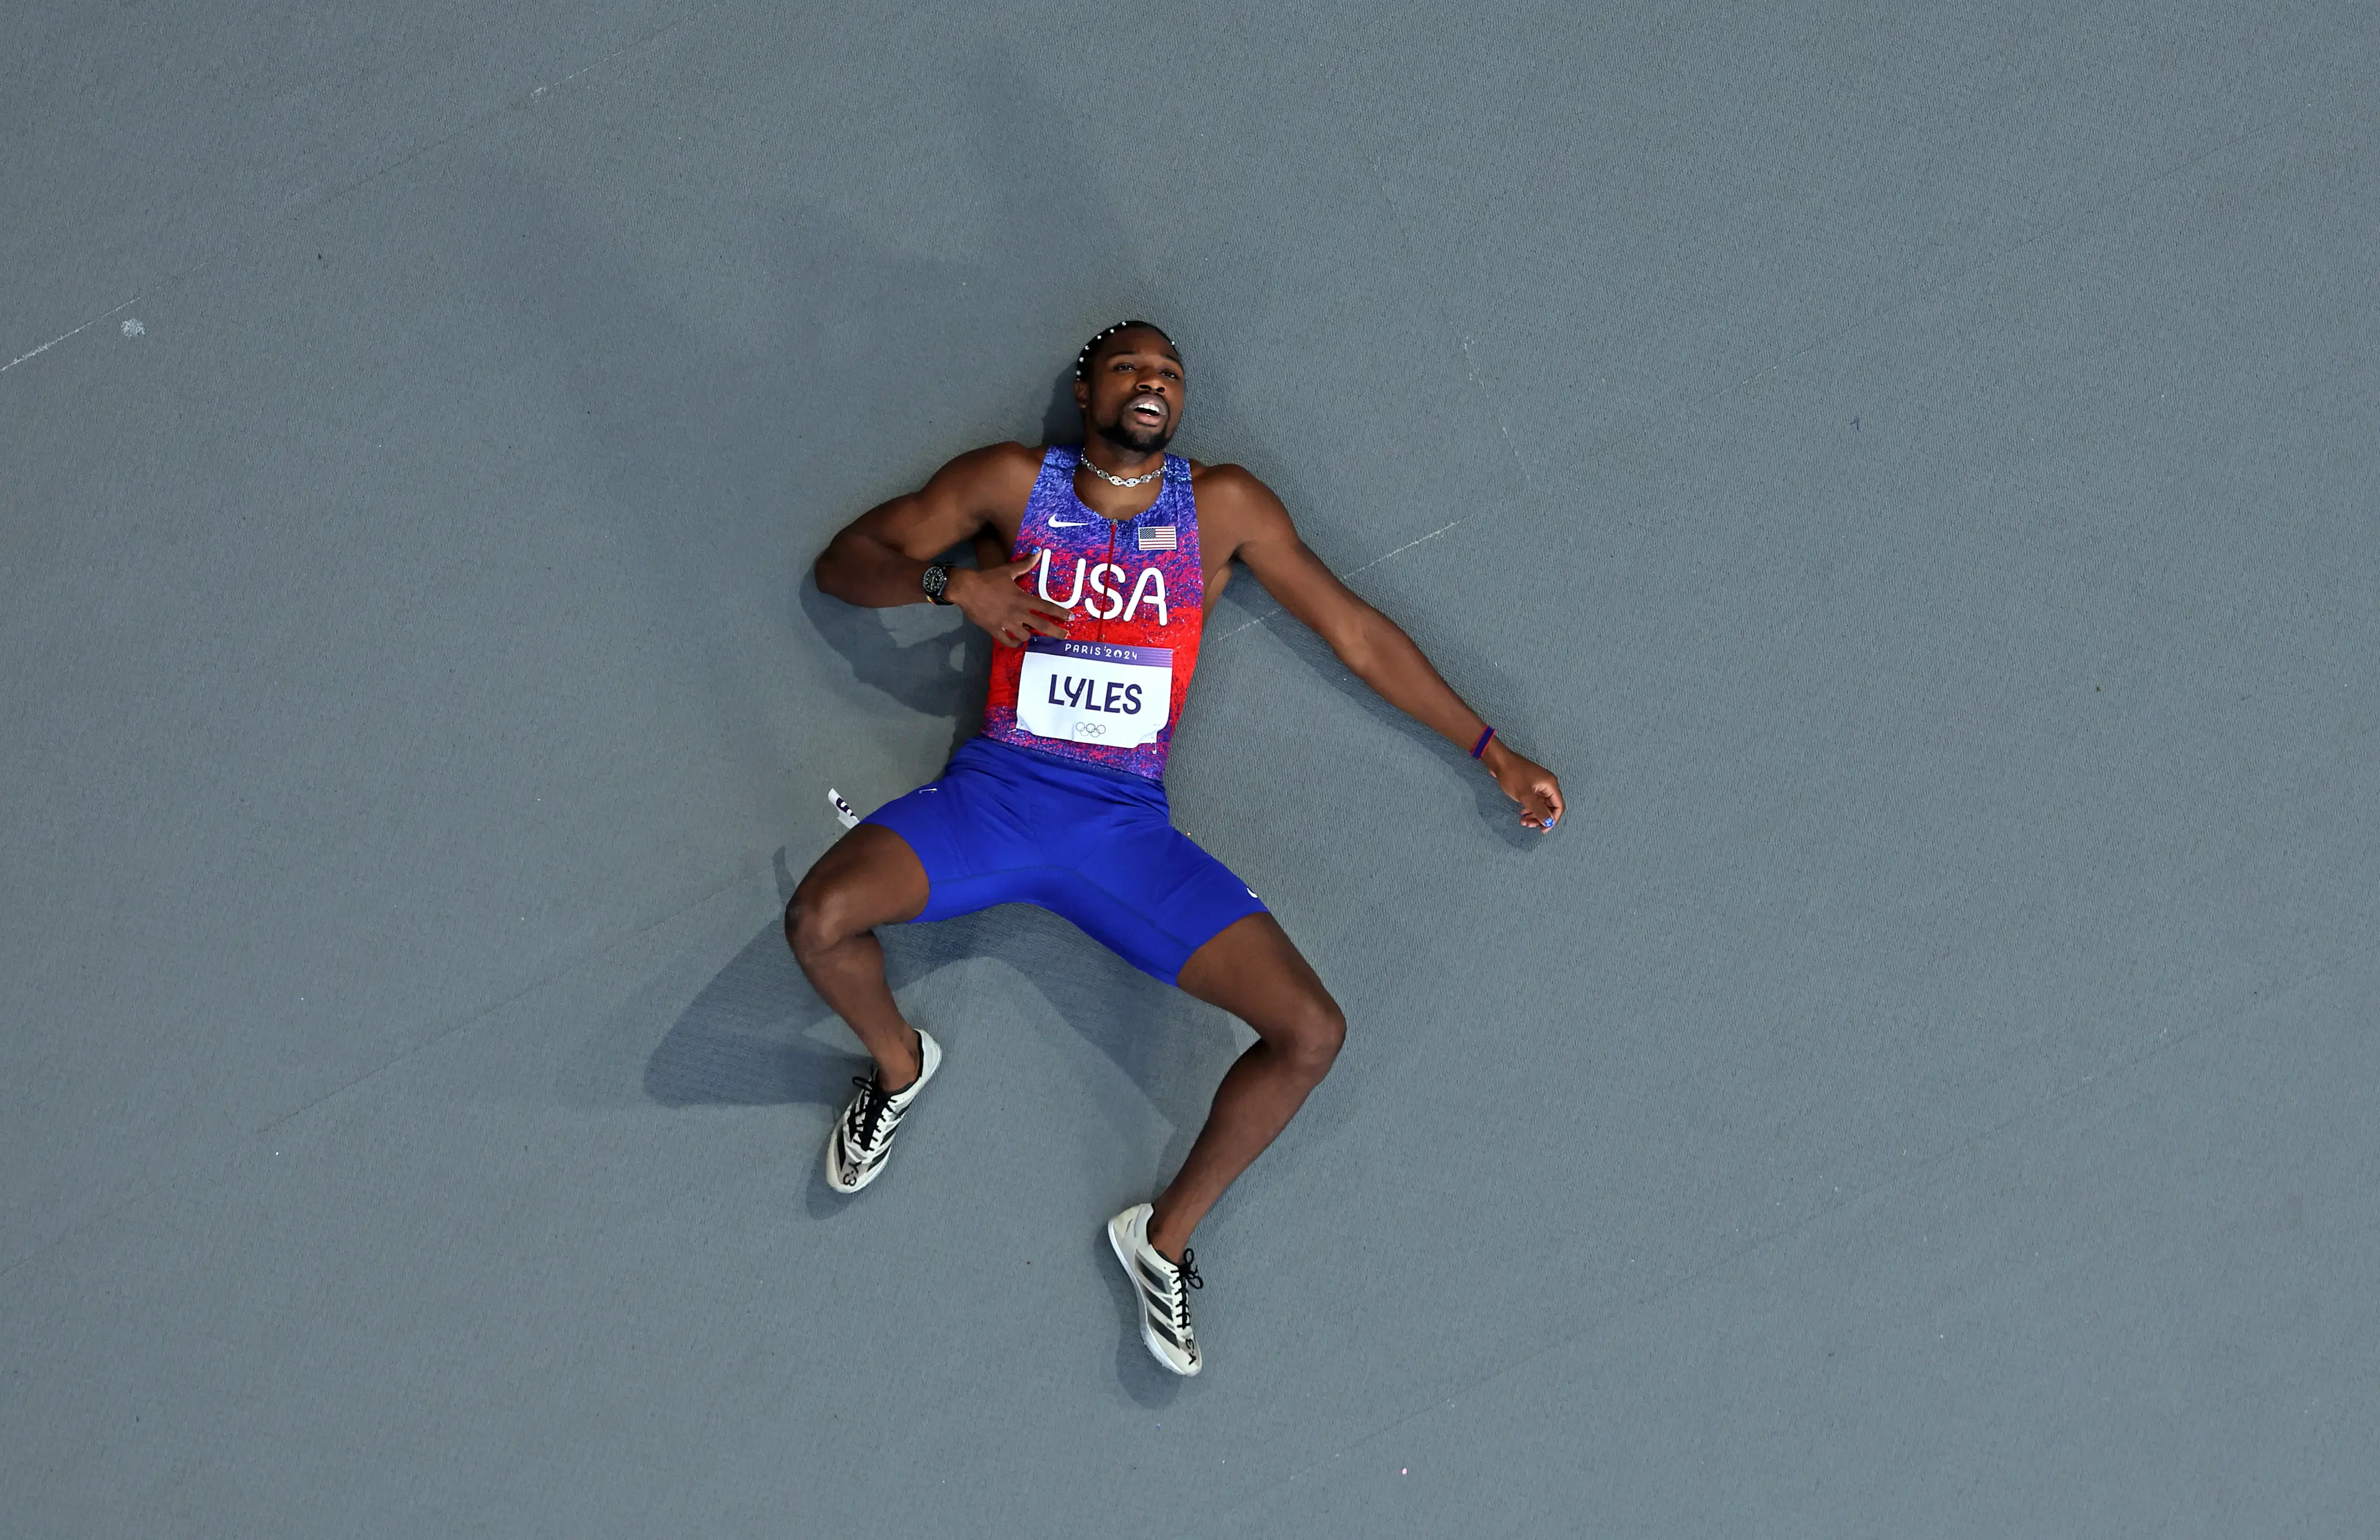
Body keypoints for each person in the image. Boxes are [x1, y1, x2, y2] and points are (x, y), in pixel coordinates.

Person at [790, 320, 1563, 1376]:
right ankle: (899, 1064)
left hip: (1123, 831)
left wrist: (1492, 751)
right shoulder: (1010, 483)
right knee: (820, 920)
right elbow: (846, 565)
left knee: (1311, 1032)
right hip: (997, 801)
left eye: (1169, 373)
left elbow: (1355, 633)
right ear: (1087, 389)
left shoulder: (1224, 507)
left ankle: (1160, 1240)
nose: (1152, 383)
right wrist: (952, 587)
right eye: (1129, 367)